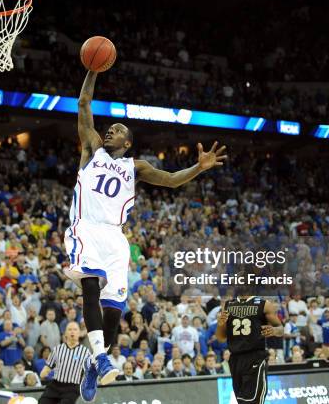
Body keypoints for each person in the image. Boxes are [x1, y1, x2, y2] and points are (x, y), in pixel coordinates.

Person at [69, 70, 227, 402]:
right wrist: (93, 70)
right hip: (87, 227)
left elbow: (170, 180)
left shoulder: (135, 166)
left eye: (117, 131)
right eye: (108, 129)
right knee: (90, 283)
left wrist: (199, 168)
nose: (109, 131)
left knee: (114, 309)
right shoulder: (92, 150)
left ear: (127, 144)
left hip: (115, 237)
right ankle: (100, 358)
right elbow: (84, 102)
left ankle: (93, 362)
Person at [216, 297, 284, 404]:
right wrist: (220, 324)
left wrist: (274, 330)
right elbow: (221, 338)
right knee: (242, 401)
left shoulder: (264, 304)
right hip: (235, 359)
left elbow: (281, 328)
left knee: (253, 401)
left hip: (255, 356)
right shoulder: (228, 304)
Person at [38, 321, 90, 404]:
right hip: (55, 385)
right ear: (65, 333)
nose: (72, 331)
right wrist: (44, 372)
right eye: (69, 329)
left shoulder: (85, 352)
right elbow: (49, 366)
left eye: (75, 329)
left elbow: (89, 370)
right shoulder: (57, 349)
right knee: (42, 402)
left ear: (79, 333)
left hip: (72, 387)